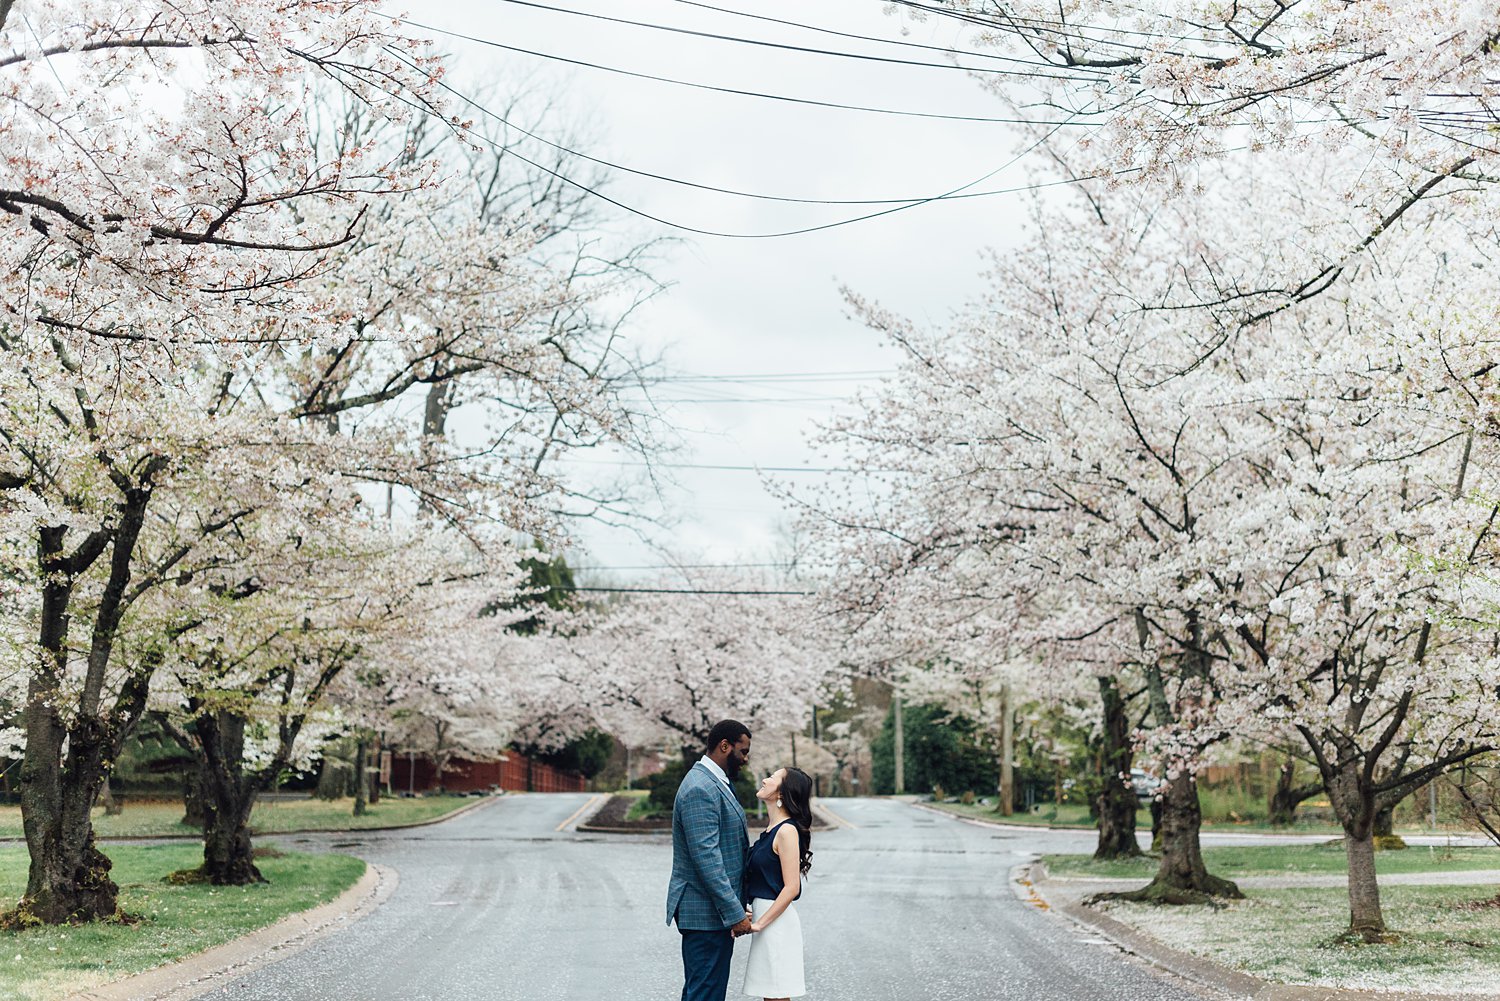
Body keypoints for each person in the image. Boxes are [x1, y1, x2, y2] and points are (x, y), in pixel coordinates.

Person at [667, 720, 754, 1001]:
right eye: (743, 751)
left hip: (710, 912)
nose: (745, 759)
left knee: (702, 991)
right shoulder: (700, 789)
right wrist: (734, 912)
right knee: (705, 993)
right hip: (704, 912)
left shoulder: (715, 781)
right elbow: (707, 858)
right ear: (724, 746)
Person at [743, 766, 813, 1001]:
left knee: (776, 996)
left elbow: (791, 887)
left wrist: (760, 923)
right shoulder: (771, 830)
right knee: (770, 996)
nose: (764, 779)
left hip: (777, 926)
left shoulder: (787, 831)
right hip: (766, 919)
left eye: (772, 777)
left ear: (782, 793)